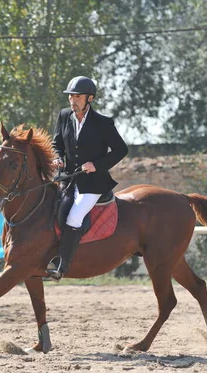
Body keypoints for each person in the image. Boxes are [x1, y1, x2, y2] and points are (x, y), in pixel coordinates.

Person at [46, 76, 128, 281]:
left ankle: (62, 266)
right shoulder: (64, 116)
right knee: (56, 211)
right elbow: (57, 144)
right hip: (69, 179)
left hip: (93, 184)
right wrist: (57, 158)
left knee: (75, 216)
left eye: (77, 96)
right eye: (71, 96)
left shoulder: (102, 123)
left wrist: (96, 165)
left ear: (89, 98)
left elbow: (121, 149)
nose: (72, 100)